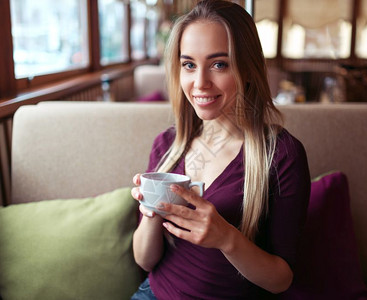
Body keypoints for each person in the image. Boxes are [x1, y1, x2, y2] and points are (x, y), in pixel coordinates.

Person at [131, 0, 310, 299]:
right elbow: (144, 260)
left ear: (249, 69)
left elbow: (281, 279)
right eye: (188, 65)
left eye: (219, 64)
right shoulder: (167, 146)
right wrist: (152, 210)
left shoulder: (281, 155)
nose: (199, 83)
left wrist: (227, 238)